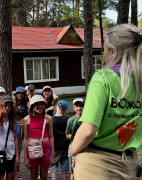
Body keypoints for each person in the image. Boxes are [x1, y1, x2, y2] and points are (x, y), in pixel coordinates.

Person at [69, 24, 142, 179]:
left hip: (97, 164)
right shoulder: (139, 81)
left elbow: (88, 130)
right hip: (131, 164)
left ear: (113, 50)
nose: (103, 54)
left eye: (104, 49)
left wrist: (72, 151)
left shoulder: (102, 78)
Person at [23, 95, 55, 180]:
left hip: (45, 148)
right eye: (37, 104)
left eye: (42, 104)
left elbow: (51, 137)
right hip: (32, 149)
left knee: (44, 176)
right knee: (33, 176)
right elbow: (25, 139)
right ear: (32, 106)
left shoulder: (48, 119)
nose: (40, 106)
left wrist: (52, 156)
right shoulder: (27, 119)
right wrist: (25, 158)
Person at [0, 95, 20, 180]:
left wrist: (17, 155)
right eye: (5, 105)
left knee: (9, 176)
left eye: (10, 106)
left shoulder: (13, 120)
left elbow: (15, 138)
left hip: (10, 152)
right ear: (1, 105)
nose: (8, 108)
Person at [50, 100, 70, 180]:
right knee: (65, 165)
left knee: (53, 165)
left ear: (56, 107)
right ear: (65, 109)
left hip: (54, 146)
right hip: (65, 145)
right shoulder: (67, 119)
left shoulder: (51, 119)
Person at [65, 98, 84, 180]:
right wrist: (77, 136)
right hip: (74, 148)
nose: (79, 108)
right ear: (74, 108)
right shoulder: (71, 120)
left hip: (85, 148)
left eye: (81, 106)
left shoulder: (87, 119)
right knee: (73, 171)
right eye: (77, 106)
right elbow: (67, 135)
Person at [13, 86, 28, 180]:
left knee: (26, 146)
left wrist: (28, 94)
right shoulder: (13, 103)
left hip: (25, 125)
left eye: (22, 93)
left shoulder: (26, 102)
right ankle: (17, 171)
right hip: (16, 126)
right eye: (18, 93)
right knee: (17, 148)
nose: (20, 95)